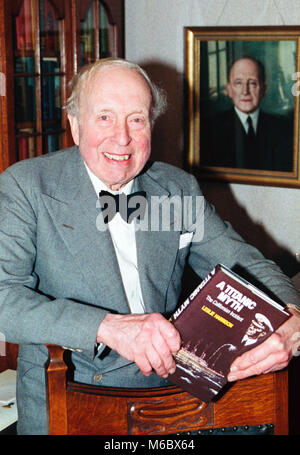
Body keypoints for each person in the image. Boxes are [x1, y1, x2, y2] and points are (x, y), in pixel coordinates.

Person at [0, 58, 299, 435]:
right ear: (75, 126)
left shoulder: (176, 189)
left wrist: (292, 317)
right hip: (72, 398)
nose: (122, 138)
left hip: (174, 396)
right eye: (104, 117)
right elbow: (4, 298)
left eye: (136, 119)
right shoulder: (26, 186)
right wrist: (109, 327)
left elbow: (246, 263)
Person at [201, 57, 293, 171]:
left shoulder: (283, 127)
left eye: (253, 83)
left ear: (263, 89)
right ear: (229, 89)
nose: (245, 91)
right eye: (238, 83)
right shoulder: (209, 128)